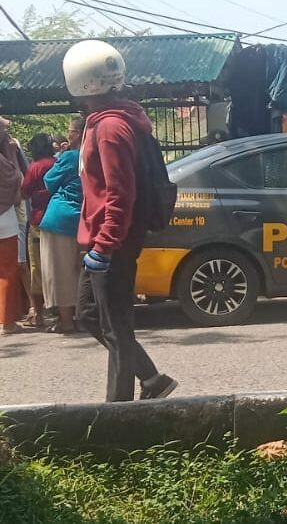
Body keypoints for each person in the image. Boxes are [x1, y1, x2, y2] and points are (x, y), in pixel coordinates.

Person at [64, 39, 177, 401]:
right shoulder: (106, 122)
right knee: (90, 316)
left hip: (112, 244)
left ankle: (119, 413)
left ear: (78, 81)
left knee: (116, 329)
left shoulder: (111, 128)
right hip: (103, 242)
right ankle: (153, 380)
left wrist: (105, 245)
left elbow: (120, 193)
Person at [39, 116, 86, 334]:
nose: (68, 135)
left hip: (60, 218)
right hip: (84, 219)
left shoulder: (70, 157)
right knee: (78, 269)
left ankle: (67, 321)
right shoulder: (95, 155)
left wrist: (62, 157)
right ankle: (81, 317)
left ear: (79, 133)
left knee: (61, 271)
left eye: (71, 131)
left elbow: (49, 181)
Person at [20, 133, 56, 328]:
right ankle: (63, 312)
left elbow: (24, 191)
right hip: (58, 222)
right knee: (58, 266)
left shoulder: (35, 167)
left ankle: (39, 314)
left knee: (37, 268)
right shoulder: (57, 163)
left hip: (38, 222)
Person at [0, 118, 24, 336]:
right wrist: (14, 155)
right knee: (7, 270)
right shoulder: (5, 161)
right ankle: (7, 322)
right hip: (4, 219)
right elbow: (16, 182)